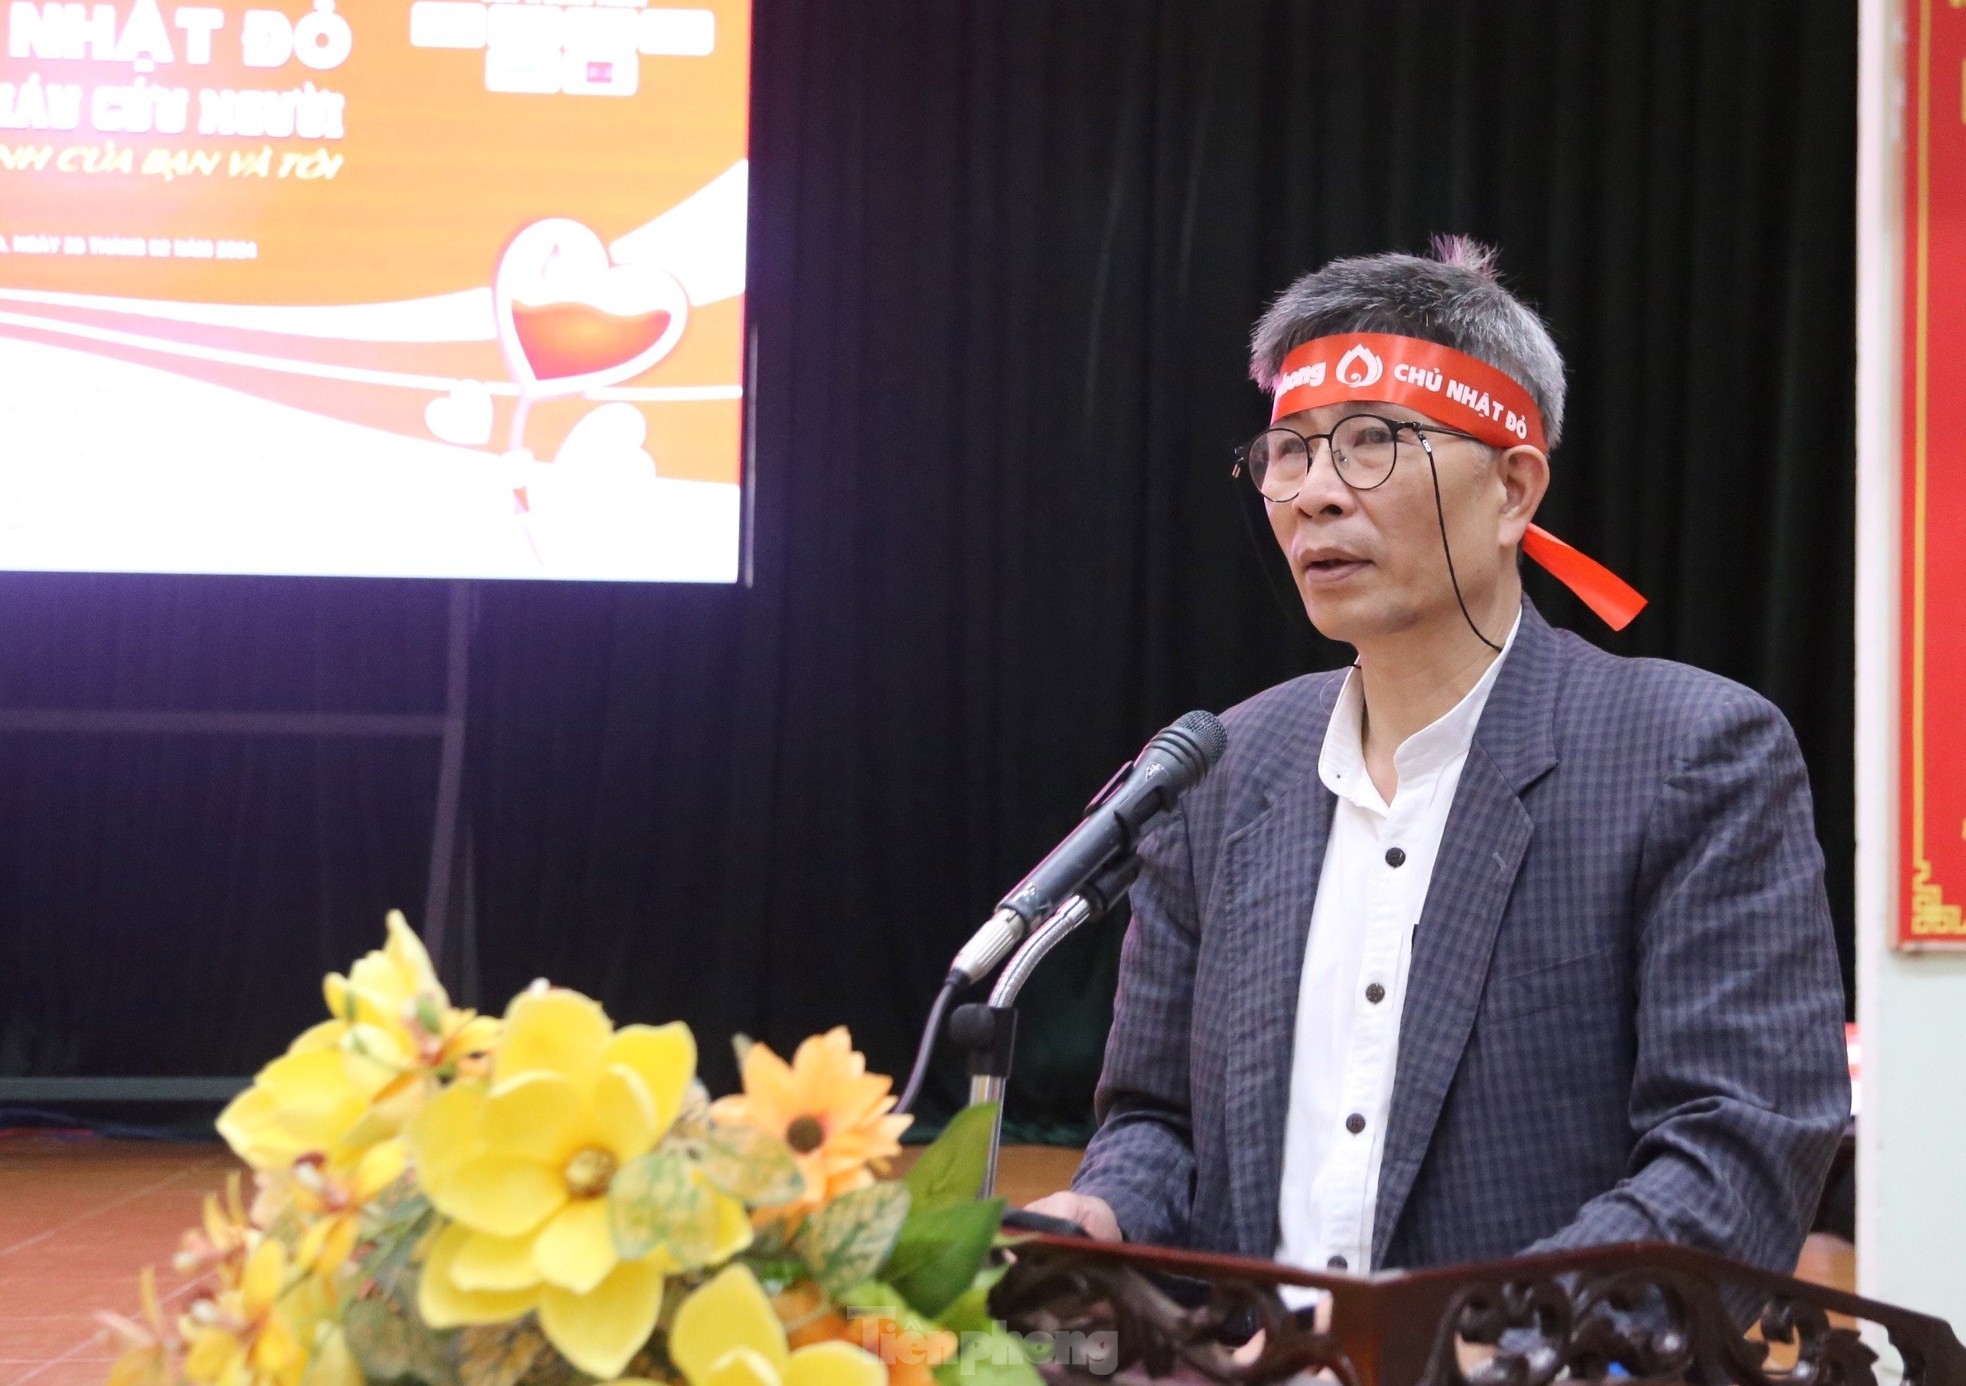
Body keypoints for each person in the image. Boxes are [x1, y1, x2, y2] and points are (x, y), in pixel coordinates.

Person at [1026, 239, 1850, 1281]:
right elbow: (1157, 1123)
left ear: (1512, 491)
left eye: (1371, 440)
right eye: (1290, 451)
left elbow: (1736, 1149)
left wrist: (1468, 1349)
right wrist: (1098, 1210)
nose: (1315, 494)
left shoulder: (1691, 753)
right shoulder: (1221, 772)